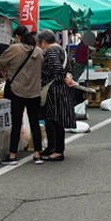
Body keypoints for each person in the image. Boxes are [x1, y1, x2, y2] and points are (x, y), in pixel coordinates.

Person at [0, 25, 44, 165]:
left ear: (17, 37)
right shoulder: (39, 51)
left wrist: (8, 69)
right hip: (34, 91)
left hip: (17, 90)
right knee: (35, 123)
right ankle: (38, 153)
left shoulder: (14, 49)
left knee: (16, 123)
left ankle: (12, 155)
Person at [38, 30, 77, 161]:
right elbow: (69, 68)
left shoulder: (51, 51)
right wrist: (68, 76)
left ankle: (57, 151)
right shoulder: (62, 49)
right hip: (60, 89)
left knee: (53, 121)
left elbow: (57, 69)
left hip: (53, 89)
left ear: (43, 42)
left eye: (40, 43)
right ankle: (52, 148)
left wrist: (64, 77)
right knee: (55, 120)